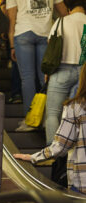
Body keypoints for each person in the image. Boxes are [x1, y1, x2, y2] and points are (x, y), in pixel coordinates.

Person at [14, 63, 86, 194]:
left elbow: (61, 146)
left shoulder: (77, 107)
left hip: (83, 182)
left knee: (52, 112)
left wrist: (33, 157)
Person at [7, 0, 68, 131]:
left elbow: (12, 19)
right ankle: (48, 119)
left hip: (23, 32)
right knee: (45, 78)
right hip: (46, 33)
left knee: (27, 79)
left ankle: (30, 121)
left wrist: (11, 44)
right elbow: (64, 12)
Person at [44, 0, 86, 145]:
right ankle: (75, 148)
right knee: (77, 115)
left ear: (69, 7)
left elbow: (51, 46)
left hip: (61, 70)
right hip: (83, 73)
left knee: (52, 113)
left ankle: (53, 151)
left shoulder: (62, 22)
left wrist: (48, 71)